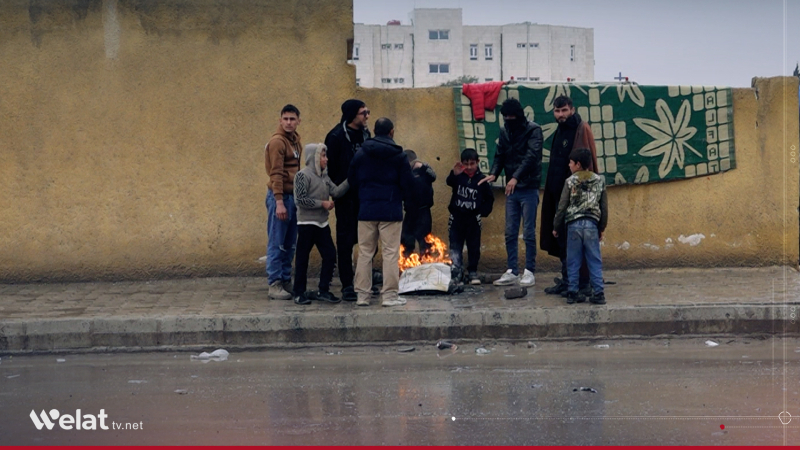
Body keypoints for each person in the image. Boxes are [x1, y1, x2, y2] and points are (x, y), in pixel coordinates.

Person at [347, 118, 414, 307]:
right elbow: (407, 183)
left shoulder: (361, 153)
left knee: (365, 253)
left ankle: (362, 296)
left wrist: (363, 195)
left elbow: (352, 178)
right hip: (391, 210)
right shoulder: (399, 156)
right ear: (391, 132)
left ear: (374, 131)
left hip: (366, 209)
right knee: (391, 253)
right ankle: (390, 296)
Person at [478, 98, 543, 287]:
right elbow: (500, 154)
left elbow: (532, 156)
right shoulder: (505, 130)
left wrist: (515, 177)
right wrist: (494, 173)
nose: (508, 121)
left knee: (529, 232)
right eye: (505, 118)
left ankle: (529, 271)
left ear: (519, 116)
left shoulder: (534, 130)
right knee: (510, 232)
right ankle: (512, 271)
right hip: (511, 189)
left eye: (511, 117)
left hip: (528, 187)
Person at [540, 95, 599, 297]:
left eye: (564, 110)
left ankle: (583, 284)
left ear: (572, 110)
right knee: (562, 240)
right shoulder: (560, 130)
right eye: (557, 111)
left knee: (576, 241)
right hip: (558, 195)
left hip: (576, 199)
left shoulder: (581, 129)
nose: (561, 114)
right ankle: (567, 281)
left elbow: (587, 167)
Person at [292, 143, 350, 305]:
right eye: (323, 156)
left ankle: (323, 290)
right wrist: (322, 204)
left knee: (330, 255)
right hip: (306, 223)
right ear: (314, 157)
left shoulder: (324, 176)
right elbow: (300, 200)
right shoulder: (302, 176)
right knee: (302, 259)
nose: (326, 159)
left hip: (322, 224)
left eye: (326, 155)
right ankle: (299, 292)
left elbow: (336, 191)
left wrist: (351, 179)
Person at [325, 99, 371, 302]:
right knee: (345, 242)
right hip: (345, 197)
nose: (367, 116)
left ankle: (364, 281)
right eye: (363, 113)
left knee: (368, 240)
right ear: (352, 114)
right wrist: (336, 189)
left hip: (365, 196)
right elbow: (328, 169)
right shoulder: (335, 137)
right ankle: (347, 284)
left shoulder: (366, 134)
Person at [552, 148, 608, 305]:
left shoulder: (570, 181)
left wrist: (556, 226)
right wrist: (601, 227)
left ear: (577, 164)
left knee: (573, 260)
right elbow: (604, 207)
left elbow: (562, 206)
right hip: (591, 224)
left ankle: (572, 292)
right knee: (594, 260)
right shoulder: (599, 180)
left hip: (573, 225)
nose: (569, 165)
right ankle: (599, 293)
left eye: (570, 163)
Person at [264, 104, 302, 300]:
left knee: (289, 243)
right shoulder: (278, 142)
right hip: (281, 197)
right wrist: (279, 202)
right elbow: (276, 174)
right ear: (280, 120)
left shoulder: (295, 141)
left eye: (292, 119)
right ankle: (275, 283)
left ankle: (286, 280)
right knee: (277, 242)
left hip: (292, 197)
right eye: (285, 119)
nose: (288, 122)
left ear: (298, 121)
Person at [446, 148, 494, 285]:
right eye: (466, 164)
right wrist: (454, 174)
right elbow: (449, 182)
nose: (469, 167)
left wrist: (482, 212)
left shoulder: (482, 180)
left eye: (472, 164)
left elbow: (489, 199)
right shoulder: (458, 177)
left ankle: (472, 271)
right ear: (461, 164)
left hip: (473, 219)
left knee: (474, 246)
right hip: (456, 217)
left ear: (478, 162)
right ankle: (457, 271)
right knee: (455, 245)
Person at [401, 149, 437, 258]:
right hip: (410, 212)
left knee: (425, 242)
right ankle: (405, 266)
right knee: (406, 240)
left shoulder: (424, 170)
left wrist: (422, 166)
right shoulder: (405, 173)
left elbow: (433, 176)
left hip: (423, 211)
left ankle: (425, 266)